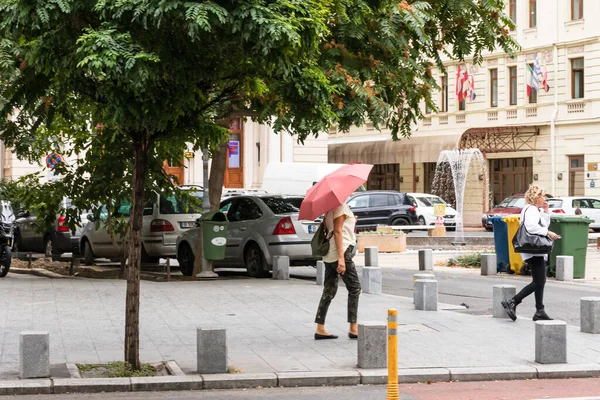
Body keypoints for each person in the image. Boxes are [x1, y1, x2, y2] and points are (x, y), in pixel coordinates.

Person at [501, 184, 559, 322]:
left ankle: (540, 310)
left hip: (535, 250)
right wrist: (548, 232)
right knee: (539, 281)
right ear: (536, 197)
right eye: (542, 195)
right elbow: (532, 227)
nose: (544, 198)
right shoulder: (531, 209)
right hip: (534, 250)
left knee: (539, 281)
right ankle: (513, 301)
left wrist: (545, 212)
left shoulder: (534, 210)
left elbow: (543, 224)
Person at [314, 202, 361, 340]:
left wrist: (351, 221)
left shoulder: (328, 209)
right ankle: (353, 327)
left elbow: (330, 228)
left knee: (328, 290)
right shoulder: (340, 206)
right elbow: (337, 231)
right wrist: (341, 258)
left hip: (329, 254)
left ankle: (320, 327)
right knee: (355, 288)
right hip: (340, 252)